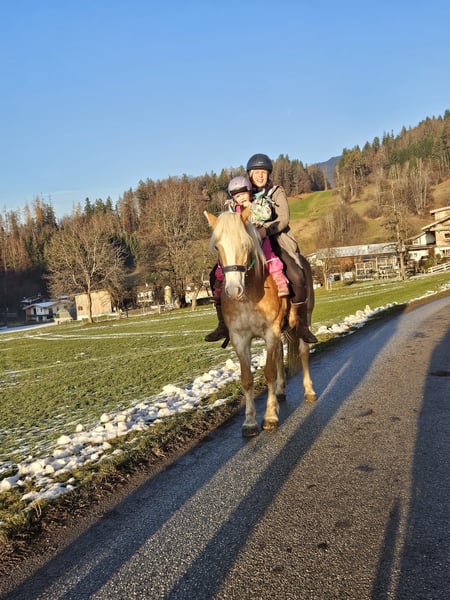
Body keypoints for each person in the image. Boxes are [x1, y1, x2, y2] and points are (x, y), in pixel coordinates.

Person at [204, 176, 290, 342]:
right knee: (217, 271)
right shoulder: (232, 209)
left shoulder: (258, 203)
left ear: (250, 193)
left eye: (243, 194)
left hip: (259, 239)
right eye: (237, 196)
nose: (241, 198)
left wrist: (251, 207)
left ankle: (279, 281)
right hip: (240, 246)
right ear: (233, 198)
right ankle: (221, 317)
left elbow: (267, 213)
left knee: (270, 257)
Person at [245, 153, 318, 344]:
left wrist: (265, 231)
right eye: (256, 172)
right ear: (250, 174)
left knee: (297, 275)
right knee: (222, 273)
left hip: (276, 240)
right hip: (249, 243)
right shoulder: (244, 193)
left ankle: (301, 324)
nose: (260, 176)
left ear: (268, 174)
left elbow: (284, 219)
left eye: (263, 172)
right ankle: (227, 323)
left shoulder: (276, 192)